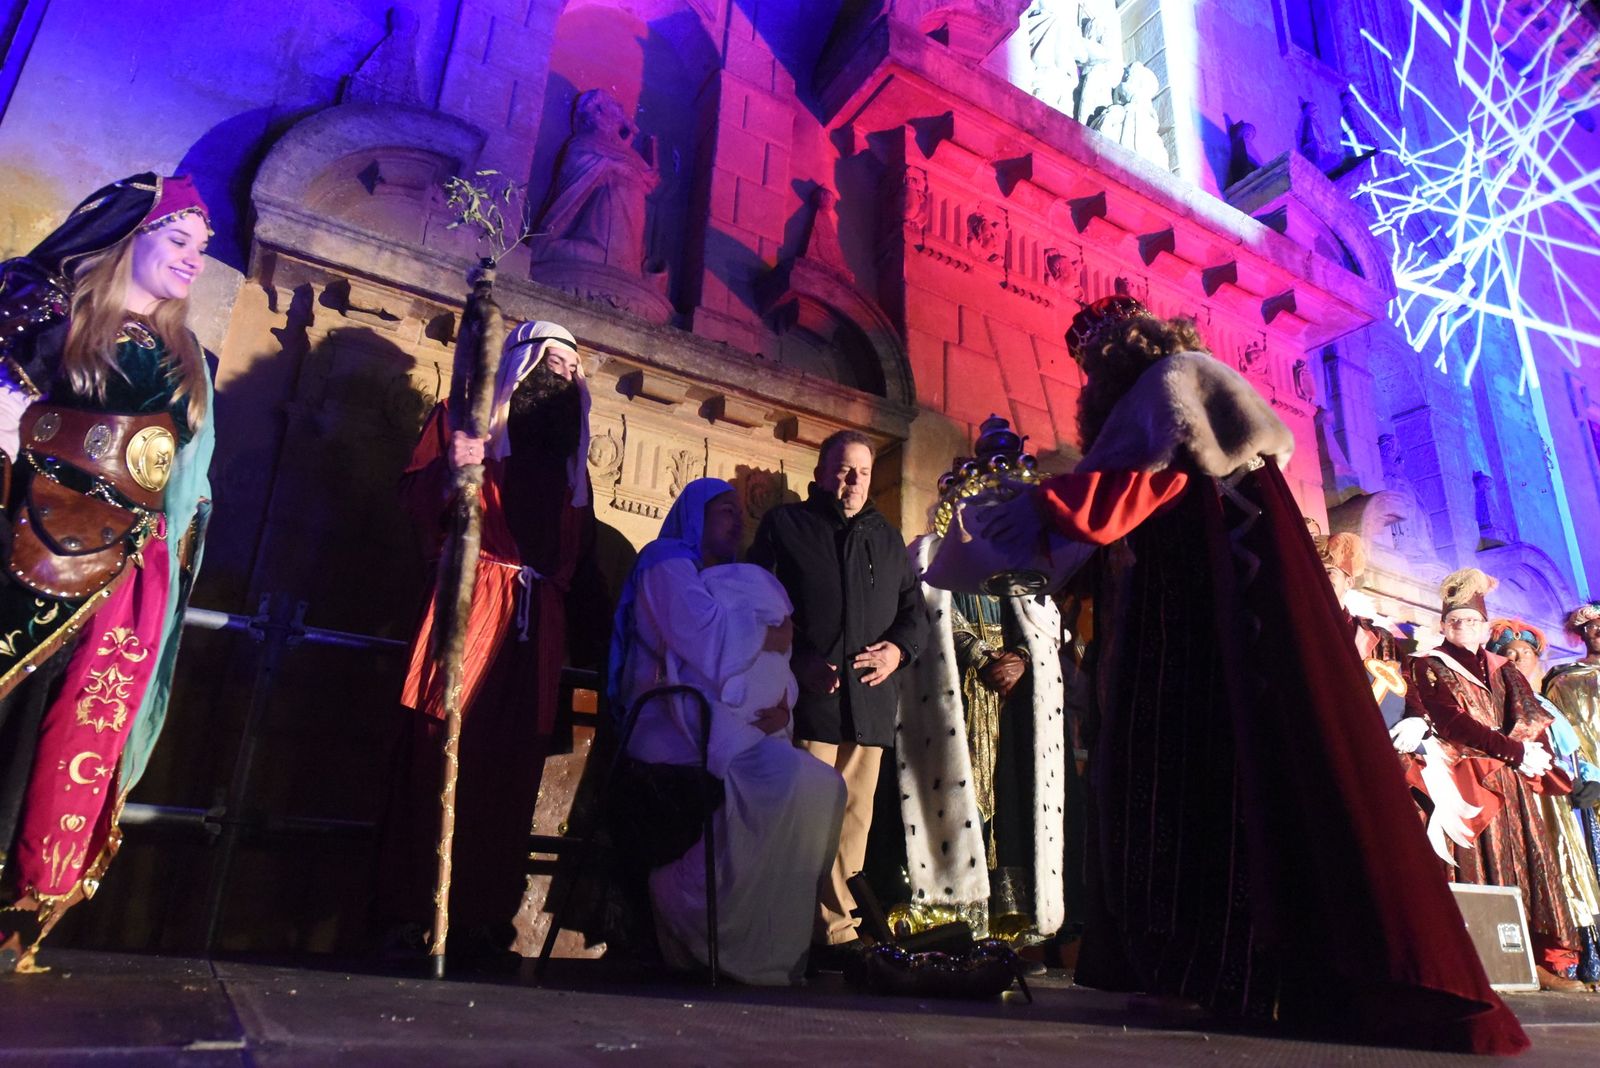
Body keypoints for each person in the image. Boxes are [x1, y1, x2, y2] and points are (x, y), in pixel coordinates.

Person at [970, 296, 1526, 1053]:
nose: (1094, 373)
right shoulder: (1167, 396)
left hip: (1214, 626)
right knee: (1179, 778)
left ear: (1133, 350)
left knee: (1222, 777)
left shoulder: (1175, 382)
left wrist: (1039, 511)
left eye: (1101, 357)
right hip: (1189, 619)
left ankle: (1237, 970)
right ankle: (1196, 965)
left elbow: (1128, 493)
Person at [0, 173, 216, 972]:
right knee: (16, 713)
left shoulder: (186, 355)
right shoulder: (49, 318)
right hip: (26, 551)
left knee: (64, 732)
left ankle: (16, 907)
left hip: (127, 572)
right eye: (180, 240)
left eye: (203, 248)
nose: (195, 259)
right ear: (133, 238)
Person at [377, 320, 595, 964]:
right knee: (436, 756)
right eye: (552, 361)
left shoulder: (568, 468)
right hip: (471, 609)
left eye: (572, 369)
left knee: (511, 777)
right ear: (521, 366)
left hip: (537, 629)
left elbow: (575, 561)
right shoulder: (463, 424)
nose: (562, 375)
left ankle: (481, 922)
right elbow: (416, 504)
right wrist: (453, 466)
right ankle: (410, 914)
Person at [609, 477, 845, 984]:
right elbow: (703, 642)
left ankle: (760, 940)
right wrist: (767, 633)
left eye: (740, 512)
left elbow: (768, 666)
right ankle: (683, 902)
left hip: (722, 727)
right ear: (693, 513)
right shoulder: (666, 560)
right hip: (670, 729)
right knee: (790, 786)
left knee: (824, 786)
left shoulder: (732, 581)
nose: (737, 520)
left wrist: (783, 704)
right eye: (723, 510)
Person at [748, 430, 926, 959]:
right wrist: (796, 658)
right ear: (822, 471)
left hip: (868, 704)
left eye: (863, 473)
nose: (853, 481)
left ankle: (834, 928)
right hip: (812, 702)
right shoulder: (786, 526)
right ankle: (818, 931)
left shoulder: (887, 538)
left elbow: (911, 614)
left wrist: (897, 651)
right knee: (805, 818)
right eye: (844, 470)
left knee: (853, 822)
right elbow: (760, 600)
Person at [900, 420, 1067, 944]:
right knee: (957, 796)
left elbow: (1046, 630)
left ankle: (1013, 916)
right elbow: (925, 614)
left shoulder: (1022, 569)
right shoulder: (929, 555)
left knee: (1011, 796)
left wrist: (1020, 657)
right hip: (956, 695)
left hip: (1012, 701)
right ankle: (954, 914)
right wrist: (977, 654)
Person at [1405, 571, 1585, 992]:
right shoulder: (1427, 665)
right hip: (1466, 778)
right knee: (1474, 865)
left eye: (1471, 620)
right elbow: (1451, 720)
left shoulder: (1505, 670)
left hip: (1510, 781)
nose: (1463, 627)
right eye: (1455, 621)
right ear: (1443, 626)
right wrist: (1515, 751)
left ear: (1485, 627)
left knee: (1525, 865)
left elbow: (1532, 714)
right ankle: (1473, 960)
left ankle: (1535, 959)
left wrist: (1528, 752)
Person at [1488, 617, 1600, 984]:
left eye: (1525, 653)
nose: (1518, 659)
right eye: (1510, 653)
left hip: (1565, 803)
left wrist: (1590, 781)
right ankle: (1550, 959)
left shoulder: (1547, 705)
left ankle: (1579, 958)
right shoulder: (1501, 698)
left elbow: (1575, 751)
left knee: (1575, 873)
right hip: (1534, 797)